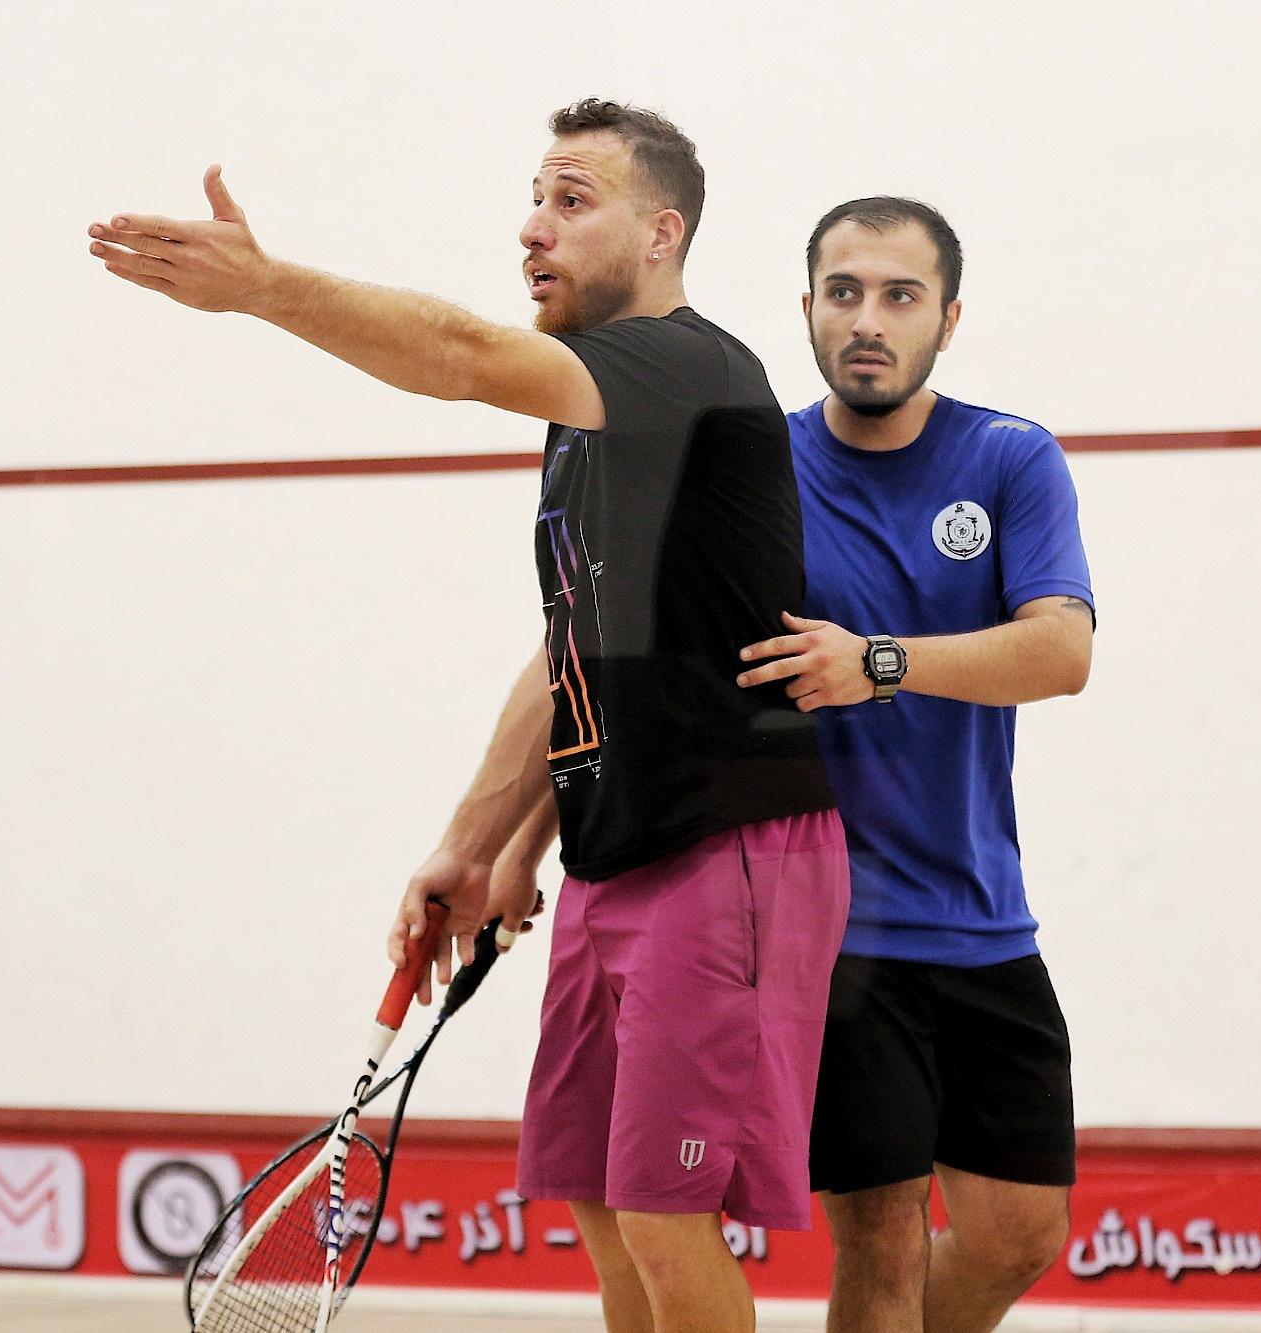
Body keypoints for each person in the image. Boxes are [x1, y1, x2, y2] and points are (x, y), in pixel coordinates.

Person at [88, 101, 848, 1333]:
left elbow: (458, 352)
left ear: (661, 235)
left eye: (570, 201)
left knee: (665, 1217)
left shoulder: (687, 369)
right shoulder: (589, 424)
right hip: (611, 857)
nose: (531, 228)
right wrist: (483, 843)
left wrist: (266, 289)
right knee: (600, 1200)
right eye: (532, 201)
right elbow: (574, 644)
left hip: (728, 851)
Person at [733, 197, 1095, 1333]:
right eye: (843, 293)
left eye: (900, 295)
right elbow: (609, 646)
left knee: (1018, 1233)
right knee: (881, 1244)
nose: (868, 320)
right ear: (807, 308)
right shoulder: (756, 470)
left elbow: (1061, 652)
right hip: (834, 930)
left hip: (984, 916)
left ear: (948, 317)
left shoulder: (1009, 457)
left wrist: (877, 662)